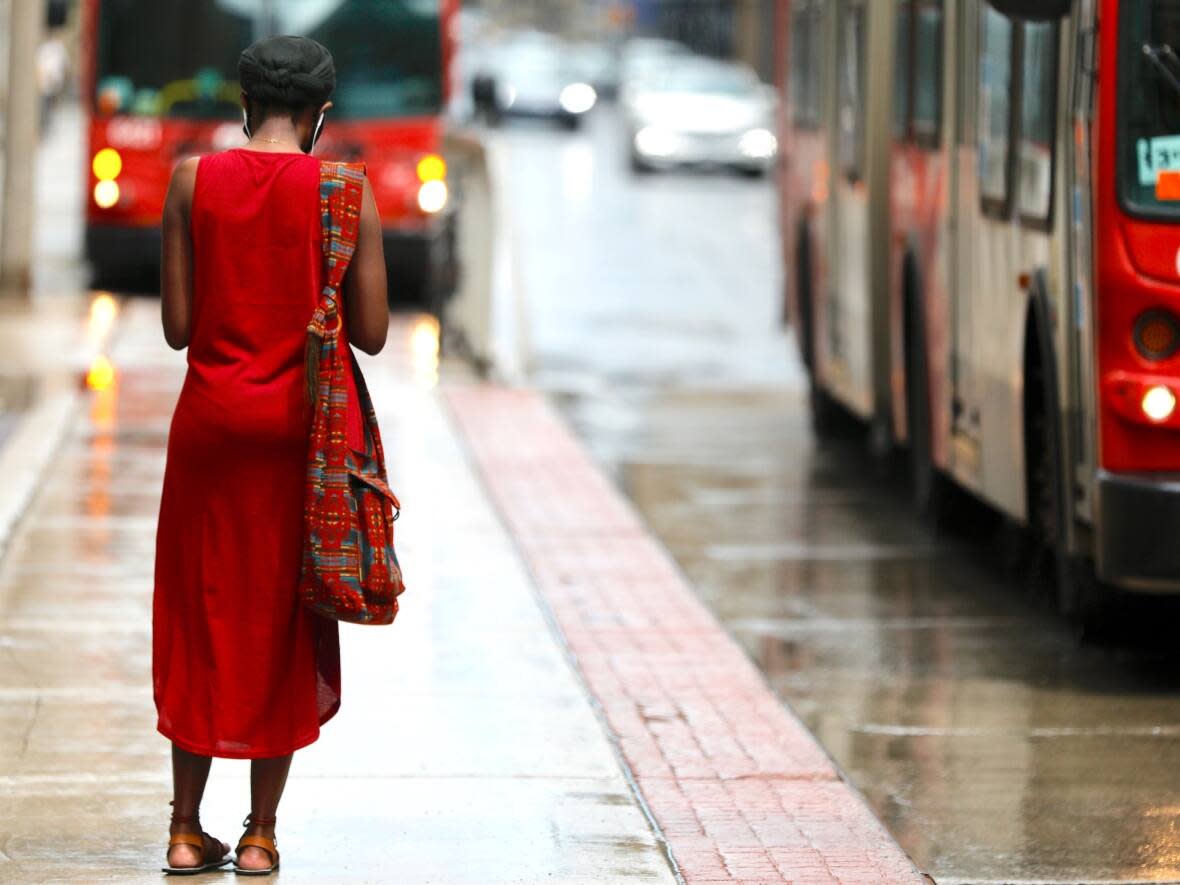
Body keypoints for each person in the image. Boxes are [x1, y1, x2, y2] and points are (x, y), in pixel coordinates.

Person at [153, 35, 388, 875]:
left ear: (242, 104)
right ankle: (258, 834)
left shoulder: (190, 179)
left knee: (200, 610)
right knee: (284, 618)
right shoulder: (343, 189)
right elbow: (371, 334)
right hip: (299, 439)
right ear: (321, 114)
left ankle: (185, 828)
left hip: (209, 429)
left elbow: (178, 330)